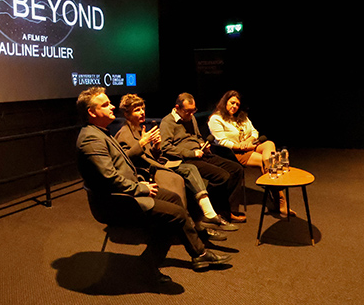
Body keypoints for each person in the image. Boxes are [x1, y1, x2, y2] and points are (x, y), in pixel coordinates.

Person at [76, 87, 232, 284]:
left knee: (174, 200)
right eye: (105, 104)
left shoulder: (100, 132)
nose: (112, 106)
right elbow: (109, 178)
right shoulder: (91, 138)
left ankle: (195, 254)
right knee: (175, 214)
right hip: (115, 202)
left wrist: (140, 178)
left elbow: (121, 167)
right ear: (91, 112)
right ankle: (157, 264)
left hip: (127, 190)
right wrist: (140, 187)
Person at [114, 93, 237, 232]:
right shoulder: (124, 133)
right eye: (137, 110)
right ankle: (204, 219)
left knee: (230, 170)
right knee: (189, 171)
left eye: (142, 108)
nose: (142, 112)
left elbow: (151, 155)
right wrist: (142, 143)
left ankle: (205, 220)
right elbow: (125, 160)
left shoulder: (140, 129)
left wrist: (156, 146)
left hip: (162, 163)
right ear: (126, 114)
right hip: (151, 171)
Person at [160, 92, 245, 223]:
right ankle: (210, 210)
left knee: (236, 169)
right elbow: (166, 148)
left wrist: (202, 144)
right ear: (177, 108)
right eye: (188, 111)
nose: (191, 114)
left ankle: (229, 211)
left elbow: (197, 137)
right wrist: (191, 153)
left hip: (200, 153)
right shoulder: (167, 122)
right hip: (186, 159)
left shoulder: (191, 117)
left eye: (193, 110)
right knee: (222, 176)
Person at [208, 90, 295, 217]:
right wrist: (240, 146)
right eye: (232, 103)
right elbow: (221, 141)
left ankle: (272, 171)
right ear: (225, 102)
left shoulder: (242, 117)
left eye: (237, 104)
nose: (235, 106)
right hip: (233, 152)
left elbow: (254, 132)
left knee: (269, 144)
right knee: (266, 162)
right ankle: (281, 201)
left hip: (248, 146)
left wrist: (248, 142)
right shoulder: (216, 119)